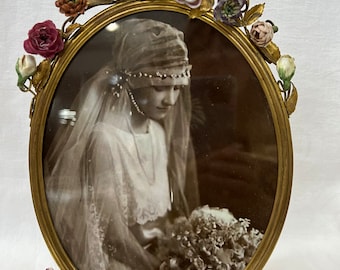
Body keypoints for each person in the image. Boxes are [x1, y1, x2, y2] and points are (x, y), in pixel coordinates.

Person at [44, 18, 200, 269]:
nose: (170, 100)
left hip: (160, 255)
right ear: (132, 83)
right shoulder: (104, 139)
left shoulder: (158, 133)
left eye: (176, 88)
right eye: (159, 87)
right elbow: (112, 234)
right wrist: (155, 266)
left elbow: (160, 220)